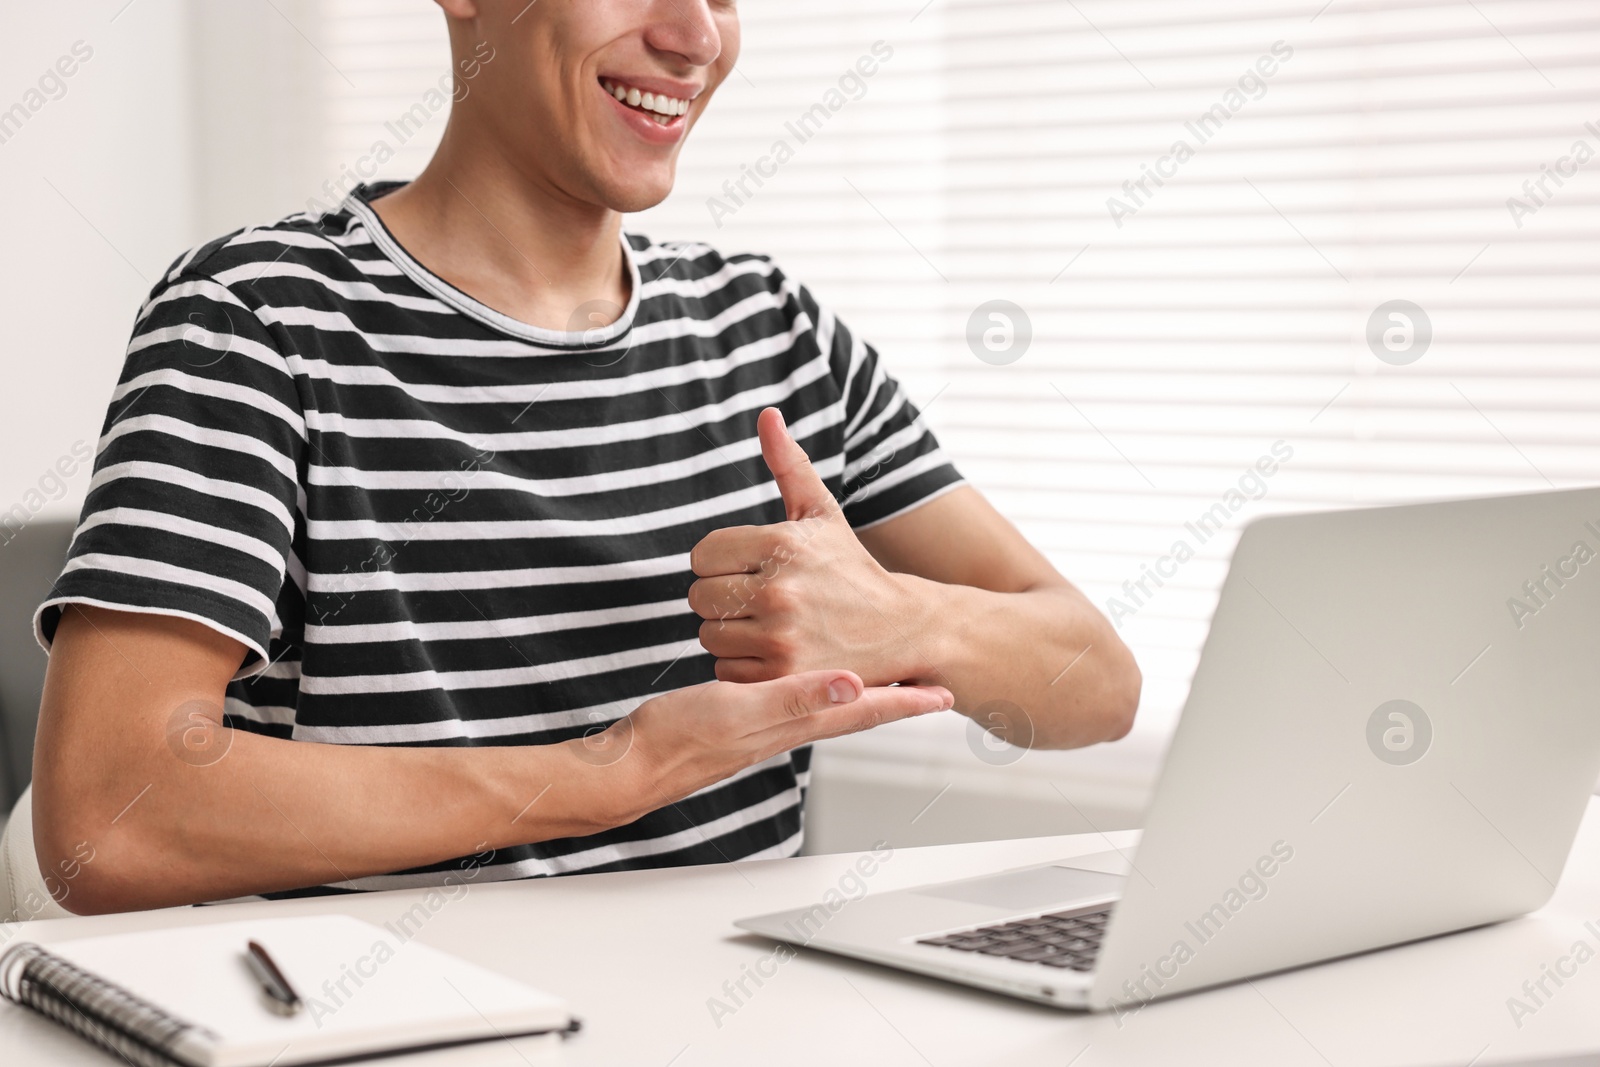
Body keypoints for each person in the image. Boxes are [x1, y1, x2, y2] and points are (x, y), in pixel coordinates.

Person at [29, 0, 1140, 914]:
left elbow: (1095, 682)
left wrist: (911, 624)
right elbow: (106, 815)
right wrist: (610, 769)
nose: (696, 35)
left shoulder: (771, 327)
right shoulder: (254, 320)